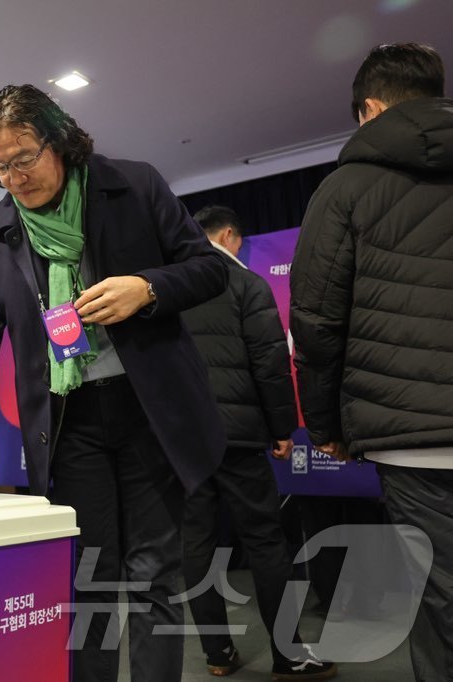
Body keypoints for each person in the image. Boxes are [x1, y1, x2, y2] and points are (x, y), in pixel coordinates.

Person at [0, 84, 229, 682]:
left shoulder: (134, 186)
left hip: (150, 412)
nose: (13, 176)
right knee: (86, 578)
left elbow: (208, 269)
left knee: (152, 577)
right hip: (70, 423)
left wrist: (148, 288)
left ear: (59, 140)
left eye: (24, 157)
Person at [290, 42, 453, 681]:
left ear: (371, 109)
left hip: (410, 437)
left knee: (442, 595)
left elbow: (318, 324)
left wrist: (327, 427)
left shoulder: (346, 188)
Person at [180, 205, 336, 679]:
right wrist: (281, 430)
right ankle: (288, 656)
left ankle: (217, 654)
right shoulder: (246, 284)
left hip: (182, 439)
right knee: (267, 543)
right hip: (239, 435)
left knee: (195, 545)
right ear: (229, 235)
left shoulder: (168, 285)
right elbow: (270, 365)